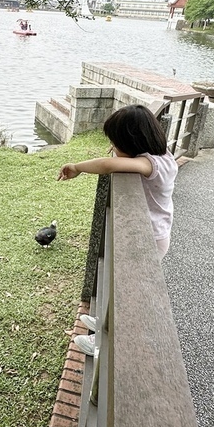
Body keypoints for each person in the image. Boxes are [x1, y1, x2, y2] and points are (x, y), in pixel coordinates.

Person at [57, 104, 180, 356]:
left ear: (131, 142)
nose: (112, 149)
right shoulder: (164, 154)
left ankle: (106, 345)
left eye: (115, 143)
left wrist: (77, 167)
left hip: (148, 240)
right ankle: (103, 323)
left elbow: (108, 165)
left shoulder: (151, 164)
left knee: (127, 295)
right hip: (150, 236)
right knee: (118, 286)